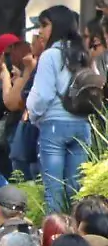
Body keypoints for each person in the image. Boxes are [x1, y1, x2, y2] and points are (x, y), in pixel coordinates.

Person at [27, 5, 94, 212]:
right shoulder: (83, 54)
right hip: (82, 126)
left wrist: (32, 114)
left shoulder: (50, 55)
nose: (41, 31)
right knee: (76, 191)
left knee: (54, 190)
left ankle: (55, 238)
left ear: (58, 26)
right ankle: (78, 233)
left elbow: (42, 96)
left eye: (45, 25)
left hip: (54, 127)